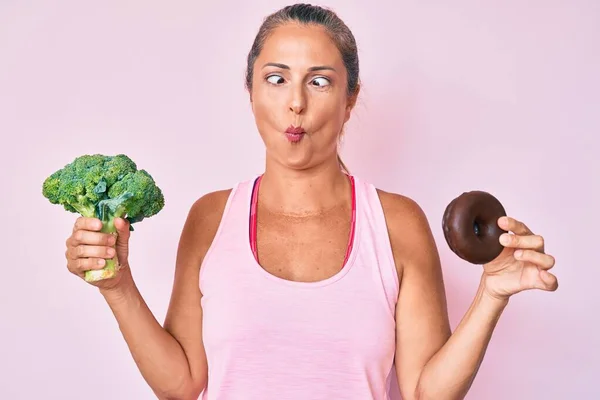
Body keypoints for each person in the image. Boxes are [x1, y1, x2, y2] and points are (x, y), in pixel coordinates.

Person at [64, 3, 558, 400]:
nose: (295, 102)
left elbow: (427, 392)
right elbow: (181, 384)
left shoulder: (397, 222)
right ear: (251, 92)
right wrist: (118, 287)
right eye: (276, 78)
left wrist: (491, 294)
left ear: (349, 99)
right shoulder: (210, 217)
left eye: (319, 81)